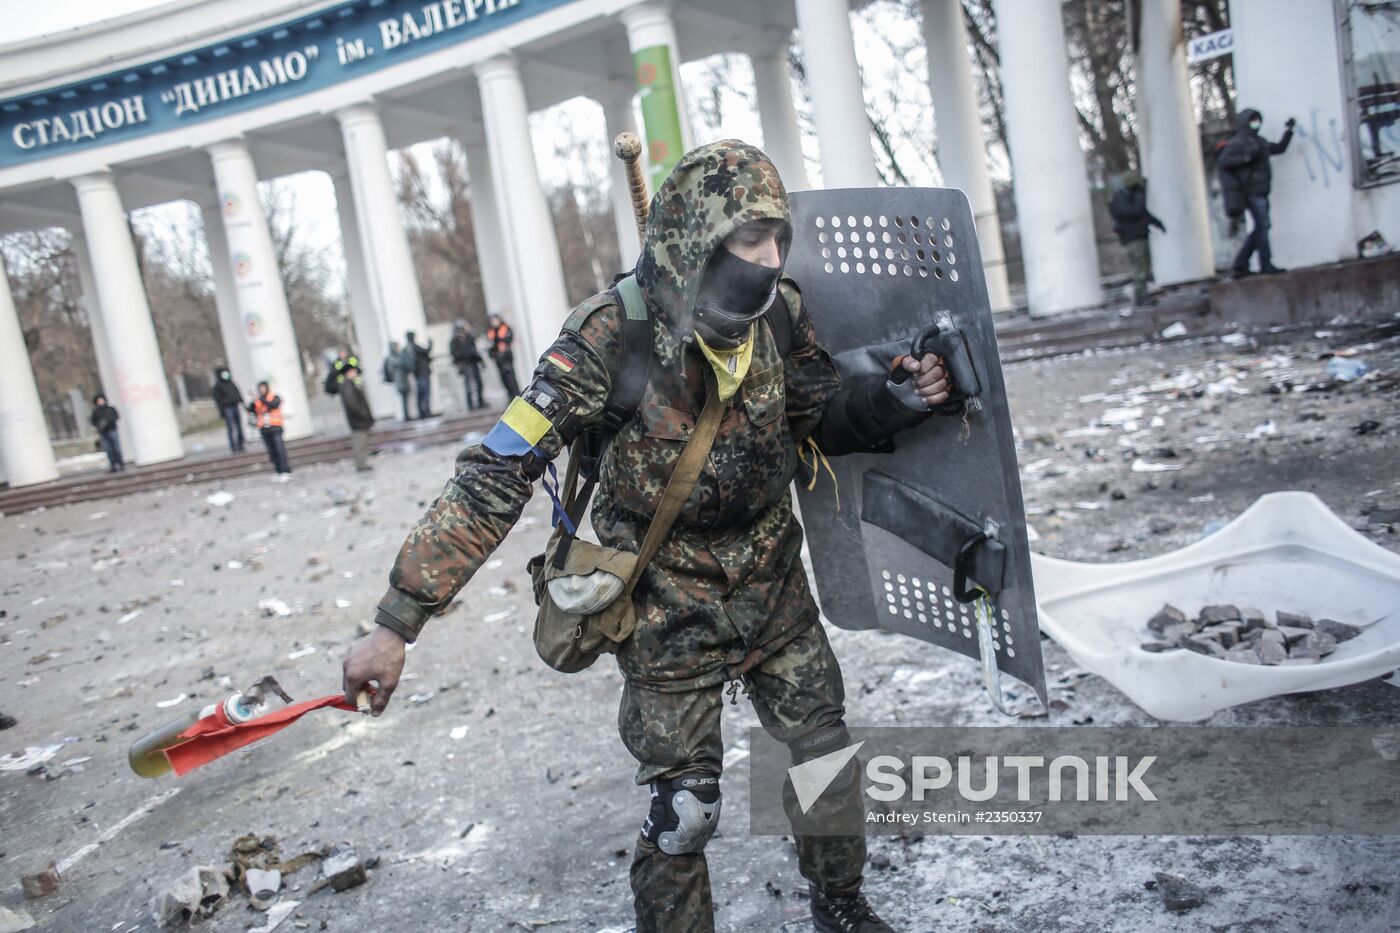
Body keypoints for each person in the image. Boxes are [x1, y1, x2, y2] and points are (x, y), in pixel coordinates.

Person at [343, 140, 954, 933]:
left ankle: (840, 903)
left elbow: (817, 414)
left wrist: (896, 401)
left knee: (826, 757)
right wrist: (398, 621)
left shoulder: (781, 315)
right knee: (686, 808)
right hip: (664, 604)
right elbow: (494, 473)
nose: (769, 260)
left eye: (778, 238)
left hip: (772, 584)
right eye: (748, 240)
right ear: (696, 240)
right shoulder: (606, 338)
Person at [1217, 108, 1295, 276]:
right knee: (1263, 226)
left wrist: (1289, 132)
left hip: (1262, 190)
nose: (1255, 123)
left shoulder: (1260, 141)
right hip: (1250, 192)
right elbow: (1224, 162)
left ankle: (1241, 262)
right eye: (1252, 120)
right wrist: (1247, 157)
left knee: (1262, 226)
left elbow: (1279, 148)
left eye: (1257, 120)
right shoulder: (1238, 143)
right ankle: (1264, 264)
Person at [1107, 171, 1167, 305]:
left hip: (1139, 235)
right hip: (1132, 238)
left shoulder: (1131, 196)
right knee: (1139, 269)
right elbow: (1135, 211)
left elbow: (1144, 214)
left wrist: (1158, 224)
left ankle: (1144, 295)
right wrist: (1141, 195)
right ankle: (1141, 298)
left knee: (1145, 269)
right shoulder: (1121, 198)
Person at [332, 362, 376, 472]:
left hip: (360, 419)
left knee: (363, 442)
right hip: (358, 420)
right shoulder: (347, 386)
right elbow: (352, 404)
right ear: (348, 372)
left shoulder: (350, 384)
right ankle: (361, 464)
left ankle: (363, 463)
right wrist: (363, 414)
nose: (355, 373)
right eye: (353, 371)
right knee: (359, 442)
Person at [248, 381, 291, 478]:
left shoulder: (274, 397)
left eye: (263, 388)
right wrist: (253, 401)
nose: (262, 390)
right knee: (272, 452)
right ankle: (278, 471)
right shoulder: (257, 401)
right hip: (264, 429)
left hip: (275, 427)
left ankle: (285, 470)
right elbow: (251, 410)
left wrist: (261, 399)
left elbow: (273, 405)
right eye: (260, 388)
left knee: (280, 450)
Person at [450, 320, 485, 411]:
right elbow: (455, 354)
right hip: (465, 364)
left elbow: (474, 349)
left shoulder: (469, 338)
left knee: (479, 383)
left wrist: (479, 360)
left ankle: (480, 402)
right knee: (468, 385)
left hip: (473, 362)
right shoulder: (454, 341)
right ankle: (470, 405)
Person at [486, 313, 520, 399]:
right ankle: (509, 394)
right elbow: (490, 343)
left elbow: (508, 339)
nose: (494, 322)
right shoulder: (491, 331)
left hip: (506, 356)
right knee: (503, 377)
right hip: (498, 357)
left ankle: (516, 394)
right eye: (492, 321)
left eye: (495, 320)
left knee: (510, 376)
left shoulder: (506, 328)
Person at [211, 367, 245, 453]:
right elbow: (218, 400)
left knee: (239, 426)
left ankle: (240, 444)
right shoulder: (218, 386)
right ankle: (233, 446)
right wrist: (222, 411)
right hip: (227, 408)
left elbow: (237, 393)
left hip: (235, 406)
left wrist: (243, 403)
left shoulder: (231, 383)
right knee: (231, 428)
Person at [90, 393, 123, 472]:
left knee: (116, 448)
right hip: (103, 432)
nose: (100, 402)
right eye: (99, 400)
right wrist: (99, 425)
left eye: (101, 400)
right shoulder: (96, 412)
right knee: (108, 450)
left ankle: (120, 463)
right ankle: (113, 465)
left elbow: (116, 417)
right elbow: (93, 422)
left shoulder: (110, 409)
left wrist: (109, 420)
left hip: (112, 430)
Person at [405, 330, 434, 419]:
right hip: (422, 373)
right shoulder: (415, 347)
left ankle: (422, 413)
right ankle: (426, 412)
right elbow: (426, 351)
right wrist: (430, 343)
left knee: (420, 395)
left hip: (417, 374)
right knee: (425, 394)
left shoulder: (407, 349)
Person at [384, 340, 412, 421]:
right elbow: (394, 369)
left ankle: (407, 415)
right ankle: (406, 416)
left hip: (402, 380)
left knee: (405, 399)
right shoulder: (392, 358)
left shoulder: (396, 357)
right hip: (400, 381)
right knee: (403, 399)